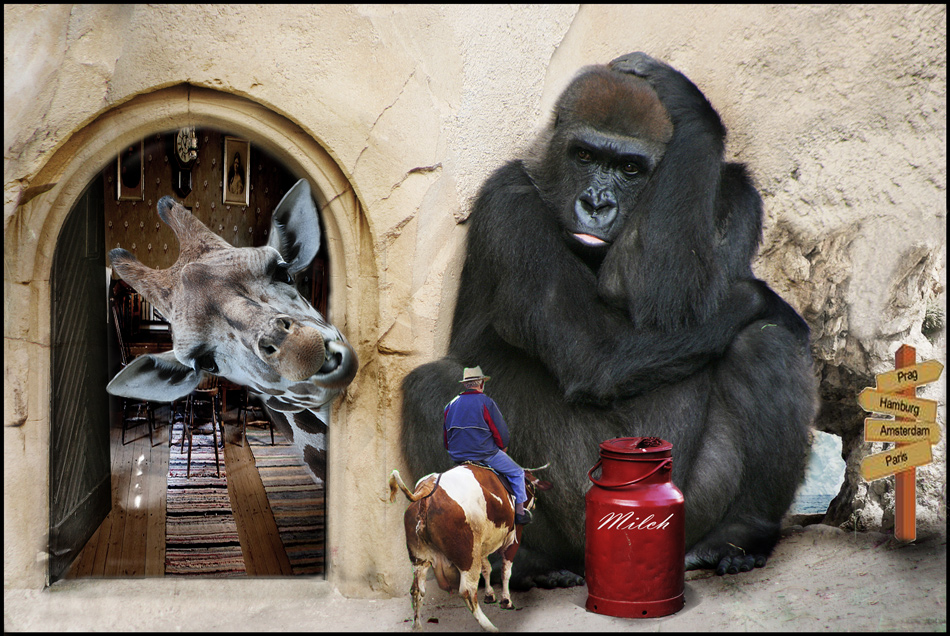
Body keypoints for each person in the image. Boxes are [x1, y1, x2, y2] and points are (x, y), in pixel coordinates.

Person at [443, 366, 532, 524]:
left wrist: (455, 451)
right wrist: (502, 447)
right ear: (481, 384)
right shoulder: (486, 402)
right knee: (517, 472)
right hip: (484, 454)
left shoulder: (450, 405)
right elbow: (500, 432)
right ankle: (520, 512)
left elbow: (446, 437)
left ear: (465, 384)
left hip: (458, 455)